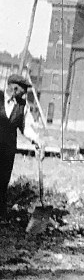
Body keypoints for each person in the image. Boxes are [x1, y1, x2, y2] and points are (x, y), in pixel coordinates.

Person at [1, 74, 42, 218]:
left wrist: (36, 140)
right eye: (23, 90)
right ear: (14, 87)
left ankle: (2, 216)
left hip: (8, 150)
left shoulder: (22, 106)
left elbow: (26, 127)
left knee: (3, 180)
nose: (25, 93)